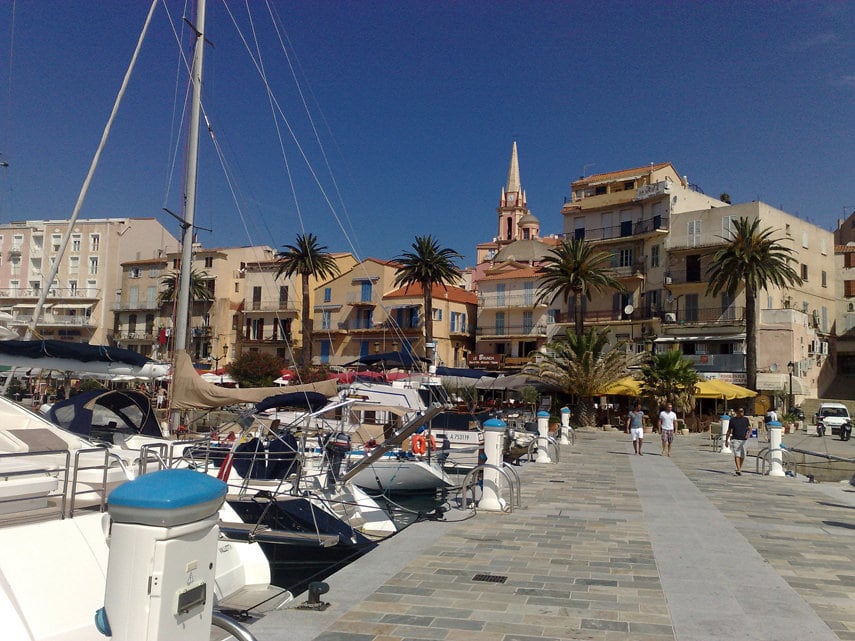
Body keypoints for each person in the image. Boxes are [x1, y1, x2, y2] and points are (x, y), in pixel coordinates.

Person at [725, 406, 752, 475]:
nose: (741, 413)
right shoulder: (732, 420)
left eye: (742, 411)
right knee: (737, 454)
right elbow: (729, 430)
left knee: (743, 455)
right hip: (735, 439)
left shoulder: (745, 419)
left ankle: (739, 467)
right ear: (736, 412)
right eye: (740, 411)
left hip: (744, 440)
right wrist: (726, 440)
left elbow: (750, 428)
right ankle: (739, 469)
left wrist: (748, 435)